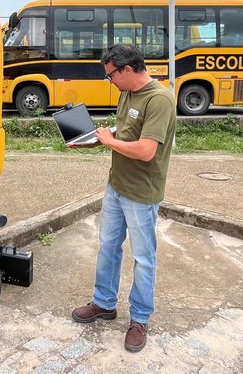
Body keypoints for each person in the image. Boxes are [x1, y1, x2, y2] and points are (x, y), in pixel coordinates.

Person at [71, 44, 176, 353]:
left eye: (111, 75)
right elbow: (123, 131)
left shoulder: (160, 100)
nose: (110, 81)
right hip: (116, 185)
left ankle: (140, 319)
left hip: (142, 193)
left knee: (143, 258)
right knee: (108, 246)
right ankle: (104, 304)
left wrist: (108, 141)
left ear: (127, 70)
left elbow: (145, 151)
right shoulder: (127, 93)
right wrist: (93, 140)